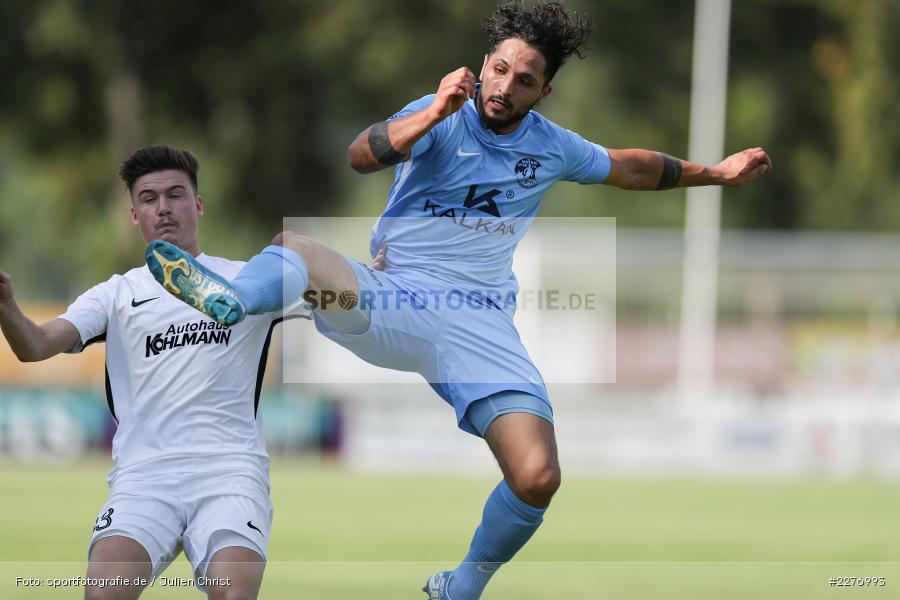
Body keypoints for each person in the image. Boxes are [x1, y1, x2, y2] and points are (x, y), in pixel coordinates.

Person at [143, 3, 773, 599]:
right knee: (298, 249)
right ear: (483, 62)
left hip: (478, 322)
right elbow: (362, 154)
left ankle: (465, 581)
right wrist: (435, 112)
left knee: (537, 475)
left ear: (543, 92)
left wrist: (714, 175)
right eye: (499, 69)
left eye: (524, 80)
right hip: (391, 298)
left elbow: (629, 166)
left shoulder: (551, 146)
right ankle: (231, 299)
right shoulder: (444, 113)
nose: (505, 86)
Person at [0, 144, 310, 600]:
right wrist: (7, 305)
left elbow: (336, 297)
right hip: (144, 476)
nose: (163, 208)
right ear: (133, 214)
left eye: (175, 194)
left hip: (229, 472)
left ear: (198, 205)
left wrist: (354, 271)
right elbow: (36, 345)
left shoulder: (247, 282)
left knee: (235, 594)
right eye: (148, 198)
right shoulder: (116, 294)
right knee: (103, 594)